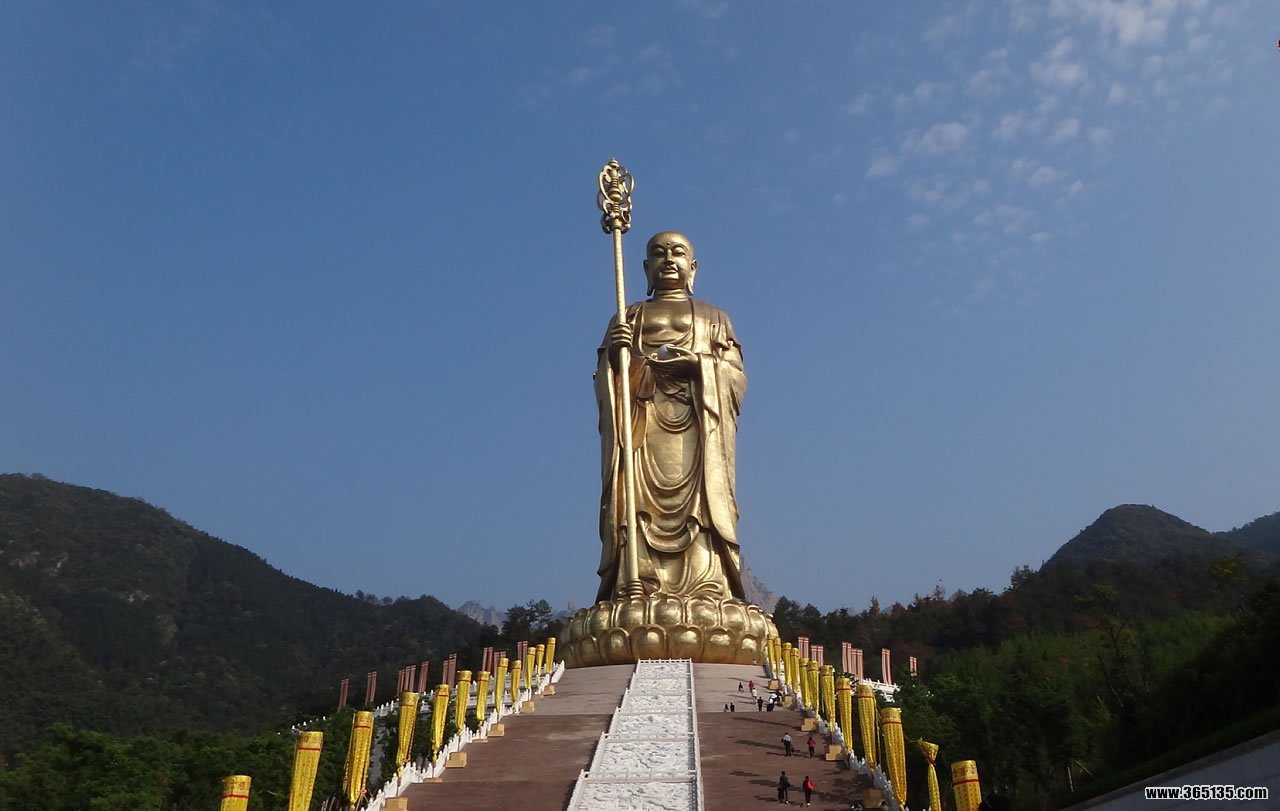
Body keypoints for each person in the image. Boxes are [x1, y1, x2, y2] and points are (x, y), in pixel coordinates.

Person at [594, 232, 747, 601]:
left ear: (692, 267)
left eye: (677, 253)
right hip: (642, 426)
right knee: (635, 506)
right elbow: (606, 380)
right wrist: (616, 357)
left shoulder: (715, 318)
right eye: (659, 254)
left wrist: (699, 365)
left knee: (702, 508)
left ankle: (707, 585)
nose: (668, 260)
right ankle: (638, 582)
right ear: (646, 268)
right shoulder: (628, 317)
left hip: (698, 425)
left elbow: (736, 376)